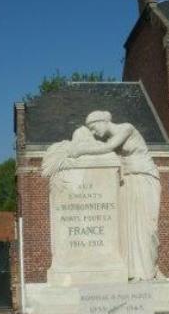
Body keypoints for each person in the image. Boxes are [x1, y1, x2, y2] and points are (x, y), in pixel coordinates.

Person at [69, 111, 161, 281]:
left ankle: (148, 271)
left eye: (93, 127)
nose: (94, 133)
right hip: (128, 181)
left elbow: (107, 147)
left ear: (103, 121)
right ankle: (134, 272)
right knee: (129, 228)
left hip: (144, 178)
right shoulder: (109, 139)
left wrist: (80, 150)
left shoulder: (126, 128)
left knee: (147, 227)